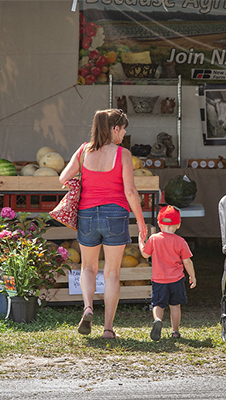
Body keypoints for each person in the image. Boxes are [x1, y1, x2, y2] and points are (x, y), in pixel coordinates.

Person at [59, 108, 148, 339]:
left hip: (87, 214)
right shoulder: (122, 154)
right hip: (115, 215)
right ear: (115, 129)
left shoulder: (82, 151)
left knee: (88, 268)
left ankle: (88, 307)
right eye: (123, 129)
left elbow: (63, 178)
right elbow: (130, 191)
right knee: (112, 274)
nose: (124, 134)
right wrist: (141, 222)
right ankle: (108, 329)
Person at [138, 205, 196, 341]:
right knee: (175, 305)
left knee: (158, 304)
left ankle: (158, 319)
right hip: (176, 280)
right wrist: (192, 276)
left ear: (159, 224)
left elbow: (145, 254)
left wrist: (141, 241)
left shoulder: (154, 239)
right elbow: (187, 262)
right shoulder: (180, 241)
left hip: (159, 280)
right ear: (178, 225)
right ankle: (175, 331)